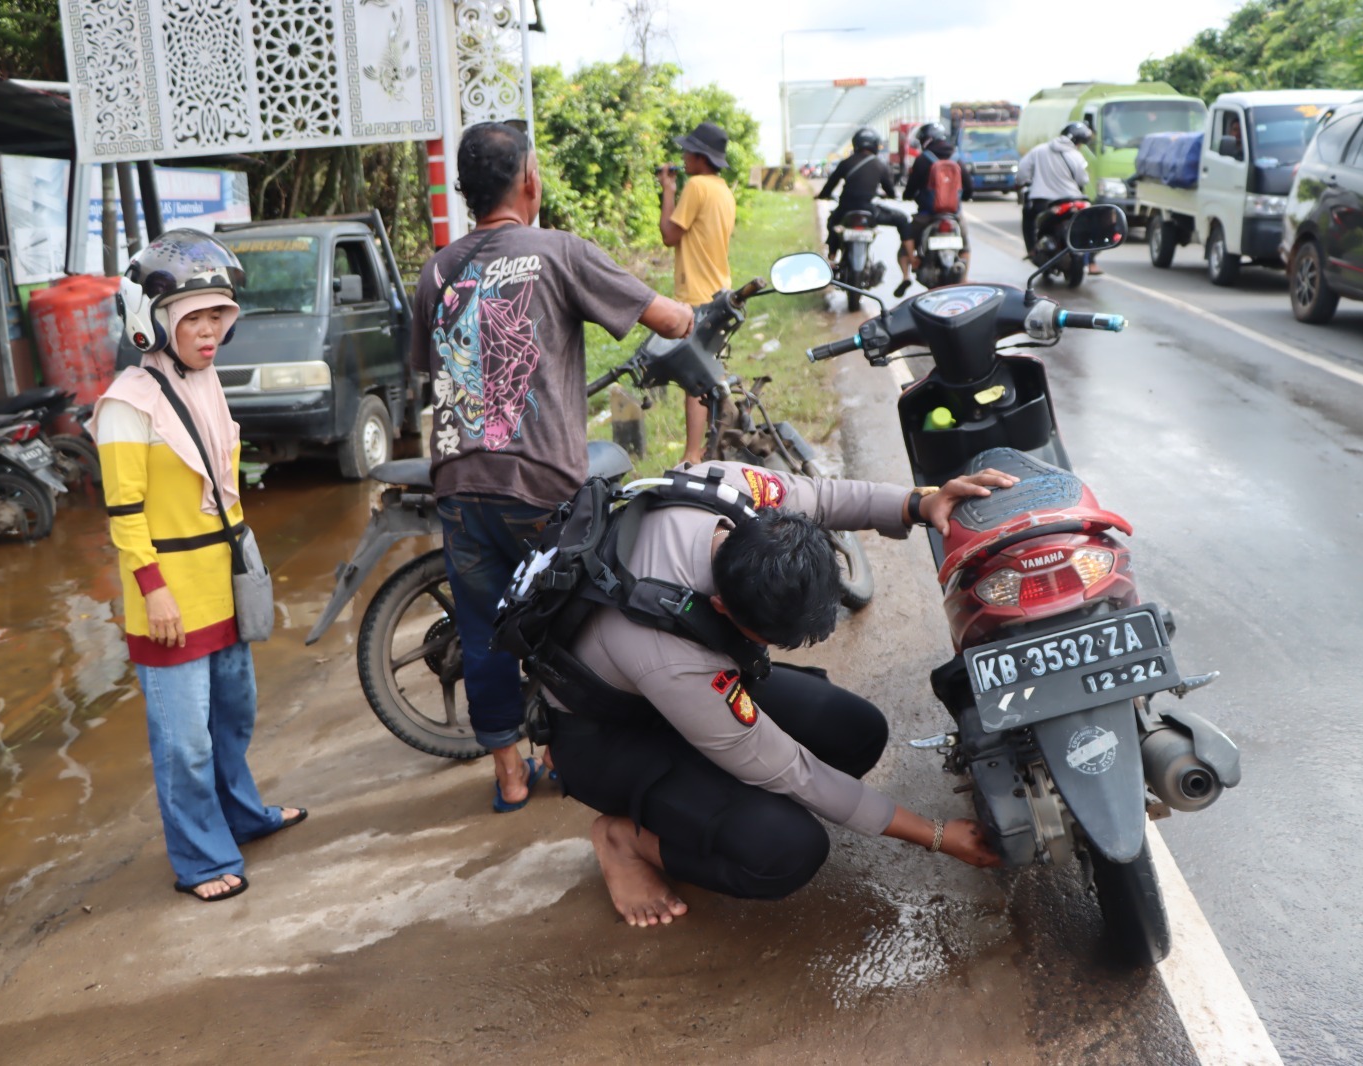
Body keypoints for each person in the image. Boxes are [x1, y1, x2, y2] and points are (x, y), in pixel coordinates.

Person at [546, 460, 1014, 927]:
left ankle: (712, 801)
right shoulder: (674, 660)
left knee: (857, 732)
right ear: (721, 607)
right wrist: (935, 835)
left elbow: (821, 497)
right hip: (608, 735)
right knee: (787, 849)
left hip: (662, 686)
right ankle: (624, 841)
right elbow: (793, 771)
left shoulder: (731, 493)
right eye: (768, 637)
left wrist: (918, 502)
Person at [414, 121, 695, 814]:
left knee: (483, 633)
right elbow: (666, 319)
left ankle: (510, 777)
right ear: (530, 182)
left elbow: (431, 368)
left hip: (457, 482)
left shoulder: (437, 270)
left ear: (465, 192)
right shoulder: (560, 252)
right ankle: (571, 760)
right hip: (539, 484)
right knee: (570, 623)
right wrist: (696, 315)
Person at [93, 230, 305, 903]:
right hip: (170, 595)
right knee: (183, 741)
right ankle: (199, 858)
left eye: (219, 315)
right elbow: (124, 515)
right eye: (194, 317)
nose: (210, 330)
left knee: (232, 717)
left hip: (225, 579)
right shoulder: (127, 404)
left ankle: (241, 816)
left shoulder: (205, 380)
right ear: (154, 321)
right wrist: (153, 592)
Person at [658, 121, 737, 467]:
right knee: (709, 372)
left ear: (700, 157)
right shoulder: (722, 189)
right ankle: (715, 443)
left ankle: (693, 456)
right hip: (720, 288)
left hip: (697, 293)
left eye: (687, 151)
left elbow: (669, 235)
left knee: (695, 379)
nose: (682, 156)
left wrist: (668, 189)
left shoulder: (696, 187)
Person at [816, 127, 914, 297]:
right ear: (876, 145)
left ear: (856, 144)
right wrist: (886, 195)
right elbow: (890, 191)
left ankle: (831, 259)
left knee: (833, 222)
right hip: (870, 211)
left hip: (846, 209)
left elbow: (829, 186)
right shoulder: (880, 164)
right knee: (903, 219)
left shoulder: (846, 163)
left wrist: (822, 195)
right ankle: (910, 263)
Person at [1017, 122, 1100, 274]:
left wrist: (1027, 182)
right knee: (1086, 227)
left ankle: (1031, 250)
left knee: (1028, 217)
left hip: (1042, 202)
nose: (1081, 146)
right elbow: (1083, 180)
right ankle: (1092, 261)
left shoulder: (1039, 150)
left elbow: (1022, 172)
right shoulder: (1076, 155)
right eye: (1081, 143)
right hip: (1072, 200)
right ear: (1076, 141)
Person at [902, 123, 974, 283]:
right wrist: (964, 197)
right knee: (965, 245)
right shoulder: (956, 157)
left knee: (907, 236)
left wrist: (908, 196)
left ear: (926, 139)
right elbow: (969, 185)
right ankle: (965, 278)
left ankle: (907, 273)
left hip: (927, 214)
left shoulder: (922, 159)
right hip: (953, 214)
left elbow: (911, 187)